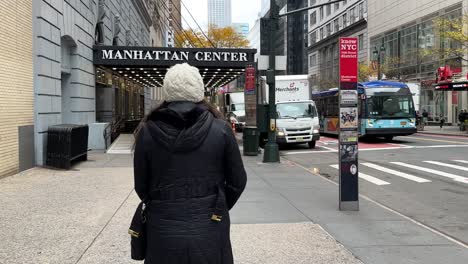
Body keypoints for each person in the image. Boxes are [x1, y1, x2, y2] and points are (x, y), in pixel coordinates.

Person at [132, 63, 247, 263]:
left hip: (162, 230)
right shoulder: (221, 130)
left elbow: (141, 186)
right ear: (198, 91)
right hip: (210, 227)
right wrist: (215, 205)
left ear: (168, 92)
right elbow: (238, 181)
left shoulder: (147, 131)